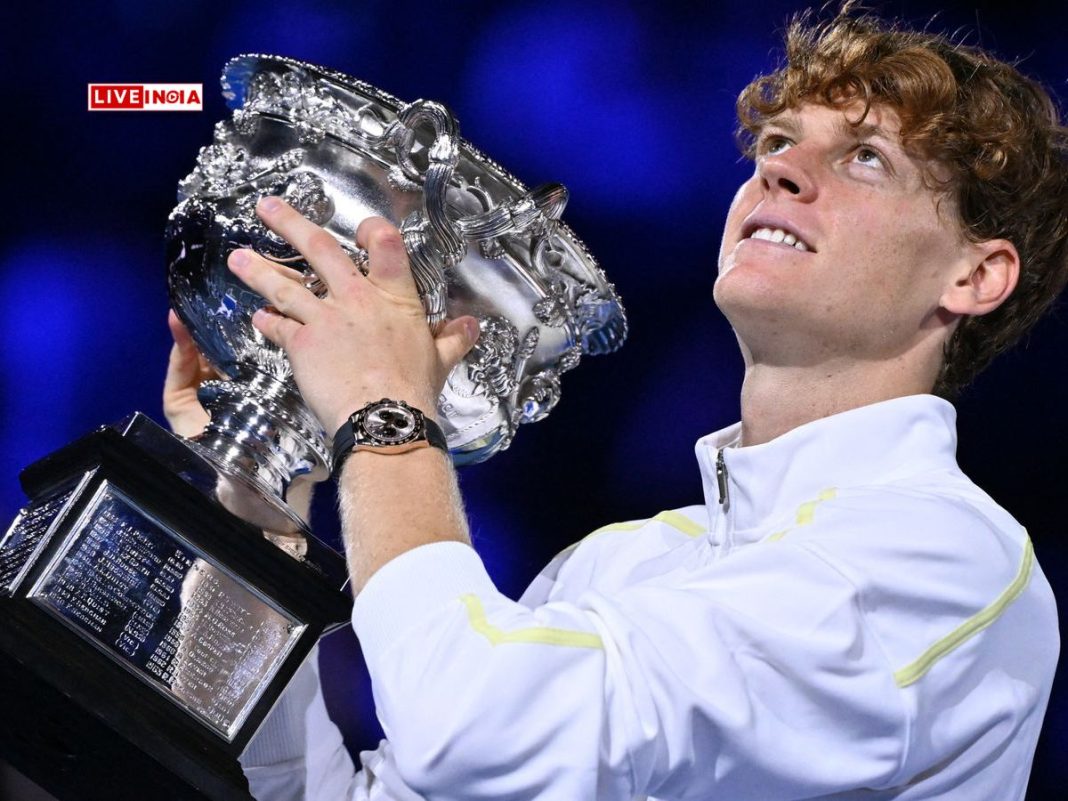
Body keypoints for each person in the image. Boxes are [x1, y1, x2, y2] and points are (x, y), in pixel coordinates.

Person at [164, 5, 1067, 799]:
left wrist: (386, 411)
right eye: (777, 143)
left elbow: (476, 731)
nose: (781, 171)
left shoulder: (946, 561)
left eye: (864, 158)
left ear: (975, 275)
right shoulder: (619, 566)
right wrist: (258, 513)